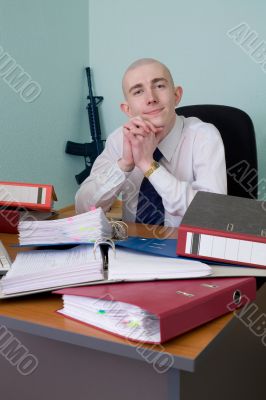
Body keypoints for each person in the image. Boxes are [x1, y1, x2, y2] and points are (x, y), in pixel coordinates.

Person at [75, 58, 227, 227]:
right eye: (138, 91)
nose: (151, 98)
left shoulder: (204, 136)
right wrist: (124, 165)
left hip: (184, 250)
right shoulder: (120, 139)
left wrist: (149, 166)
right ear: (128, 109)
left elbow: (213, 214)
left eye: (159, 86)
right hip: (130, 247)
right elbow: (83, 208)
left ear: (176, 95)